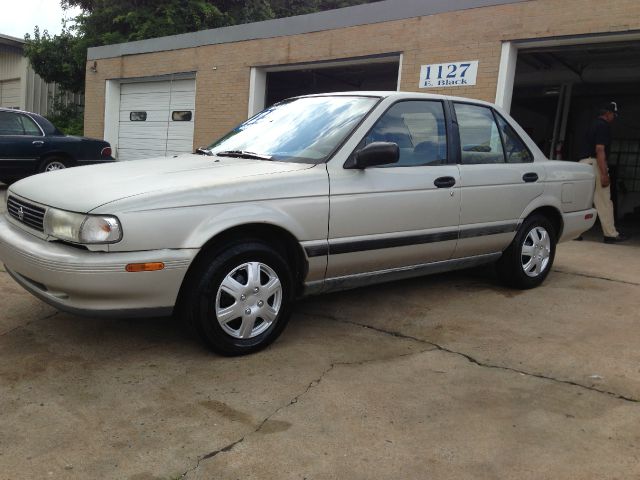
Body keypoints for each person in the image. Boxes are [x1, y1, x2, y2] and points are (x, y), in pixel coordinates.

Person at [579, 102, 629, 244]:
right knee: (604, 201)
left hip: (583, 164)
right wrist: (604, 173)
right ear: (608, 113)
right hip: (595, 164)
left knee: (584, 201)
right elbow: (600, 149)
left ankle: (575, 232)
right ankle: (610, 234)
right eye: (613, 114)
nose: (614, 117)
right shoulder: (603, 126)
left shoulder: (592, 125)